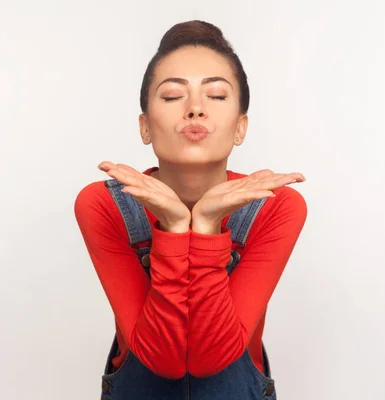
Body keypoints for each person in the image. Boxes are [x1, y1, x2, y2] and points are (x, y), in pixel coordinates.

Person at [74, 20, 307, 400]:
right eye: (171, 97)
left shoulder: (275, 206)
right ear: (145, 126)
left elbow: (209, 359)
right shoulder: (103, 205)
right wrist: (176, 226)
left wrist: (207, 223)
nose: (195, 109)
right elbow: (162, 361)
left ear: (240, 128)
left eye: (215, 95)